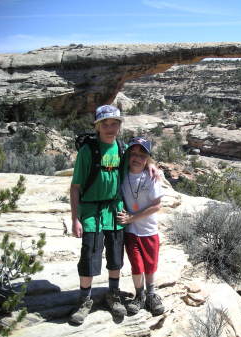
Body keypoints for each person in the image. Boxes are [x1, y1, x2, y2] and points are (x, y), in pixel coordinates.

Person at [69, 105, 157, 325]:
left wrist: (154, 167)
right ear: (97, 126)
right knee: (89, 255)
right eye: (105, 124)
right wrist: (75, 218)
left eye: (114, 123)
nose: (110, 128)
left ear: (119, 126)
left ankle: (113, 294)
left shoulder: (121, 148)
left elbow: (140, 159)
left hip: (115, 210)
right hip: (91, 211)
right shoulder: (88, 151)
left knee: (116, 256)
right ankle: (84, 300)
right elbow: (75, 187)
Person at [116, 137, 165, 316]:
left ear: (148, 158)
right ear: (128, 155)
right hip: (131, 232)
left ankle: (151, 294)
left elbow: (157, 205)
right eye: (133, 154)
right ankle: (140, 295)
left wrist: (132, 217)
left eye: (142, 155)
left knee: (150, 265)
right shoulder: (122, 175)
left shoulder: (151, 177)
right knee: (137, 266)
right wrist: (130, 221)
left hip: (149, 230)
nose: (137, 158)